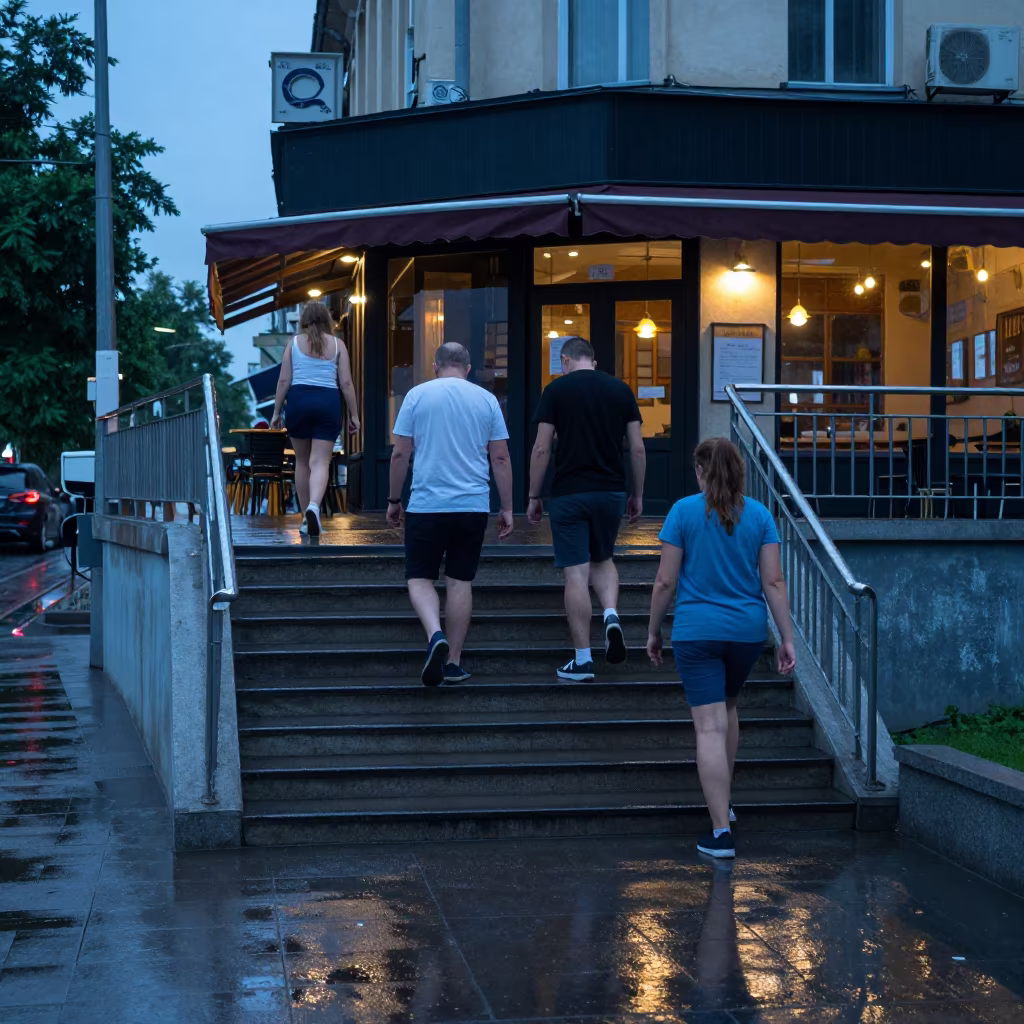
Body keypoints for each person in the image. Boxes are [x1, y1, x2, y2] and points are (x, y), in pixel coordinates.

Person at [647, 437, 797, 860]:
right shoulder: (761, 516)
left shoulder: (682, 512)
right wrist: (786, 637)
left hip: (698, 632)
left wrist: (653, 630)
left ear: (700, 471)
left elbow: (664, 581)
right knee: (728, 709)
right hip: (746, 633)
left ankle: (719, 833)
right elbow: (774, 582)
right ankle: (724, 805)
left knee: (708, 726)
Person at [387, 342, 514, 687]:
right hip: (471, 506)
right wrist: (506, 507)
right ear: (468, 367)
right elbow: (500, 458)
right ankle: (454, 662)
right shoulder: (486, 400)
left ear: (435, 365)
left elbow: (400, 455)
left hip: (427, 504)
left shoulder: (417, 396)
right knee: (460, 581)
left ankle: (435, 635)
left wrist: (393, 500)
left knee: (419, 577)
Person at [527, 336, 646, 682]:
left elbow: (541, 449)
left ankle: (582, 659)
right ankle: (610, 614)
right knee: (603, 559)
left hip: (569, 493)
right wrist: (636, 494)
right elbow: (637, 449)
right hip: (610, 491)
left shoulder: (556, 390)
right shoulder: (621, 390)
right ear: (592, 360)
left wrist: (535, 495)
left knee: (576, 573)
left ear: (565, 360)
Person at [271, 301, 360, 537]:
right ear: (327, 320)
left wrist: (276, 412)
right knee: (320, 462)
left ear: (303, 320)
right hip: (327, 402)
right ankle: (314, 507)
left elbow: (283, 381)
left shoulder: (293, 344)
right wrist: (354, 414)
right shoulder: (338, 344)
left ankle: (304, 517)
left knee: (301, 462)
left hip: (299, 401)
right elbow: (347, 384)